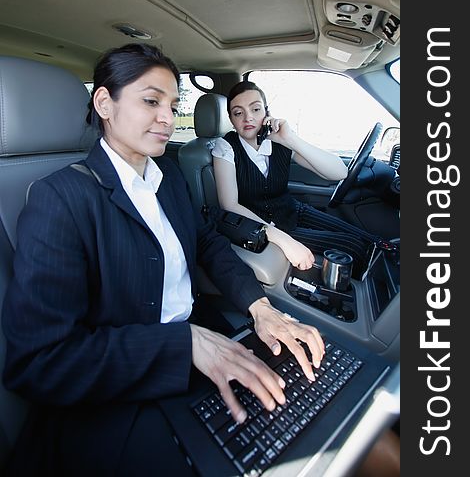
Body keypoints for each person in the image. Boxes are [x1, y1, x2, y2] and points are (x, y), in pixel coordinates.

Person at [1, 44, 324, 476]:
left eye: (173, 104)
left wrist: (259, 307)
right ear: (104, 104)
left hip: (202, 343)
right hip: (119, 395)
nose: (168, 118)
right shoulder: (59, 198)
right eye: (151, 101)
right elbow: (39, 362)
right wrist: (184, 343)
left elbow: (206, 242)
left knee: (305, 407)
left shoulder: (167, 175)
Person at [212, 81, 393, 275]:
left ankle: (394, 258)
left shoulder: (280, 140)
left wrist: (290, 139)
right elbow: (229, 205)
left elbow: (339, 173)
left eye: (255, 109)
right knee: (354, 246)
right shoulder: (225, 147)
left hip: (294, 210)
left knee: (366, 238)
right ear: (231, 119)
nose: (248, 118)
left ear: (266, 112)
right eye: (238, 113)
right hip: (267, 226)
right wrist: (283, 239)